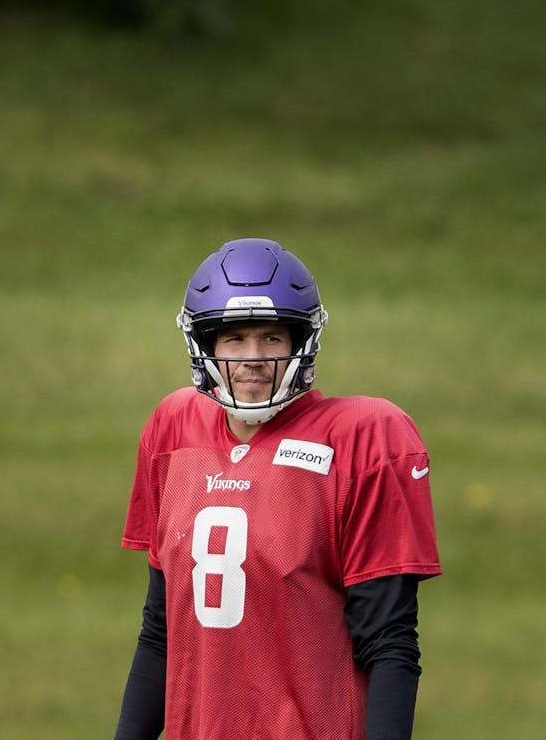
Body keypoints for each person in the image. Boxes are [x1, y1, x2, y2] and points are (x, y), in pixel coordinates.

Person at [113, 238, 441, 740]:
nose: (253, 358)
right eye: (235, 339)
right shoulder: (173, 429)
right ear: (206, 344)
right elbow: (161, 631)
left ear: (302, 341)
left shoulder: (364, 439)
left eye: (272, 338)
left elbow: (390, 643)